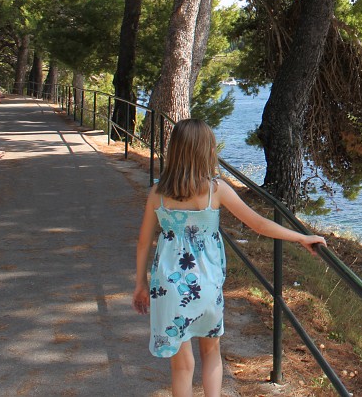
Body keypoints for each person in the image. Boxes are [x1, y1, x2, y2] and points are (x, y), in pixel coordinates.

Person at [132, 118, 326, 397]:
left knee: (182, 365)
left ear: (174, 150)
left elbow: (142, 243)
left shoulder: (158, 194)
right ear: (206, 151)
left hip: (169, 286)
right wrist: (301, 237)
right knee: (211, 352)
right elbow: (259, 224)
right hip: (207, 286)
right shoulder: (215, 190)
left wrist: (140, 284)